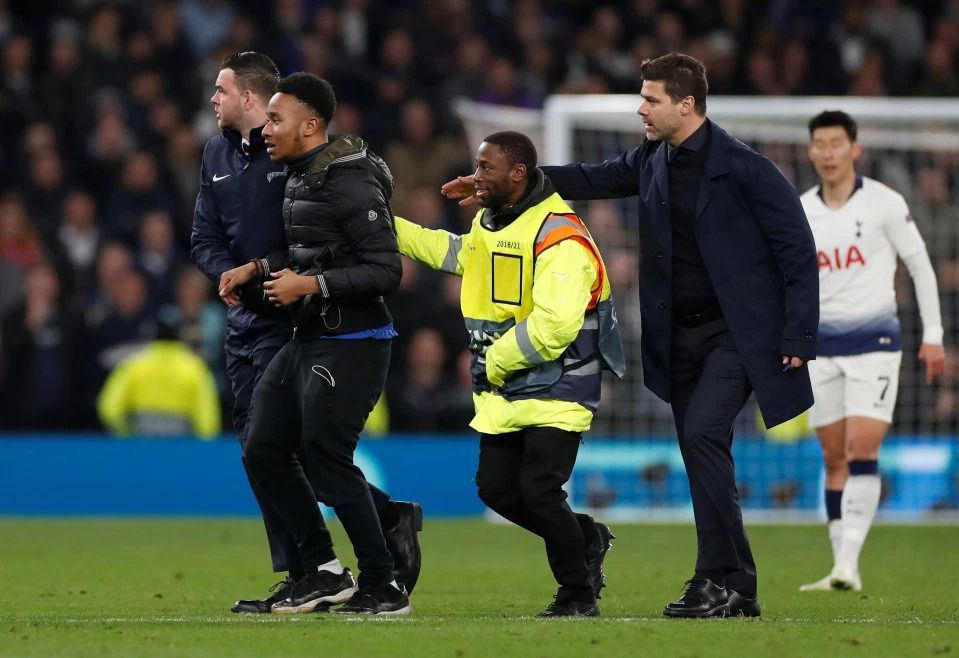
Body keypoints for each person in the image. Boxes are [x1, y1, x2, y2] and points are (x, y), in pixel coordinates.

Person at [442, 52, 820, 618]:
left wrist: (797, 336)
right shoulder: (654, 158)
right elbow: (595, 178)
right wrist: (510, 185)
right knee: (700, 453)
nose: (639, 108)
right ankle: (727, 583)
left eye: (651, 99)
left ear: (686, 105)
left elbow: (797, 252)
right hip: (680, 338)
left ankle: (724, 580)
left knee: (703, 439)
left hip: (736, 337)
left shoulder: (747, 169)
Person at [191, 53, 421, 614]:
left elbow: (386, 270)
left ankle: (380, 580)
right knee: (263, 448)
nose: (267, 130)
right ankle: (322, 568)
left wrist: (308, 285)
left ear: (309, 124)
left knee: (322, 459)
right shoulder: (297, 176)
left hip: (351, 338)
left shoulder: (348, 179)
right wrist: (257, 270)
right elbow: (296, 252)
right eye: (266, 120)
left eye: (276, 120)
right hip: (305, 334)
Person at [399, 130, 623, 617]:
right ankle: (586, 536)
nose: (476, 177)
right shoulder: (495, 221)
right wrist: (386, 229)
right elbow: (461, 255)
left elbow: (554, 327)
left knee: (540, 492)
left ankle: (577, 595)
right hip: (513, 386)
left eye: (485, 168)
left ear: (518, 173)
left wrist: (490, 361)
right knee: (497, 490)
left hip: (560, 383)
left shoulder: (560, 235)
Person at [798, 110, 945, 593]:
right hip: (821, 349)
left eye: (836, 143)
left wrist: (933, 336)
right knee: (833, 455)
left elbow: (921, 268)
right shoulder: (802, 210)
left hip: (875, 345)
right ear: (811, 151)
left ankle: (848, 562)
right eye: (820, 143)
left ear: (854, 149)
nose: (828, 152)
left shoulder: (884, 203)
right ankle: (841, 563)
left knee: (864, 448)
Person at [97, 316, 221, 438]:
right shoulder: (195, 368)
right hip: (180, 450)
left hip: (140, 446)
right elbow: (208, 422)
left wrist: (127, 435)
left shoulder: (133, 364)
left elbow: (109, 409)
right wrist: (198, 448)